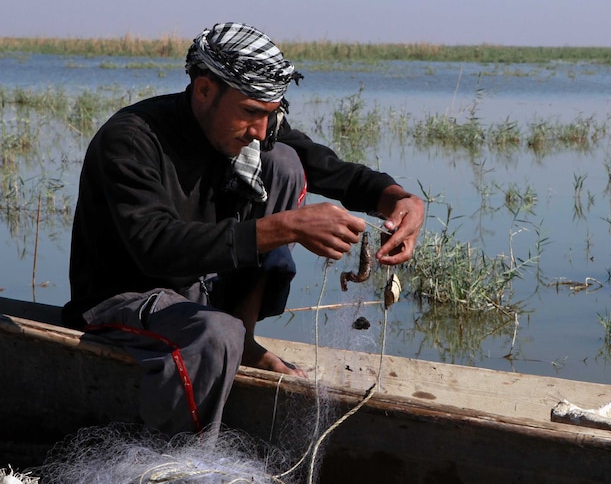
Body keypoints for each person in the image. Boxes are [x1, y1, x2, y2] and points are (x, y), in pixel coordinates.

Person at [60, 22, 424, 436]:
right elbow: (155, 246)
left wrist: (399, 200)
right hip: (120, 299)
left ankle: (244, 342)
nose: (260, 130)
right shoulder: (131, 140)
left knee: (284, 162)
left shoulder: (254, 127)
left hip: (194, 291)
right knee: (217, 331)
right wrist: (286, 227)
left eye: (270, 115)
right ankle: (181, 465)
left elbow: (333, 171)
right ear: (204, 91)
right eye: (251, 112)